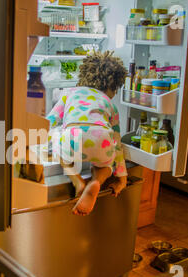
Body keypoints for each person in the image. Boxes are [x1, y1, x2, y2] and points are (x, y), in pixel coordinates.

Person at [46, 51, 128, 216]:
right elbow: (117, 143)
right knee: (105, 166)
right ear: (113, 86)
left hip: (72, 139)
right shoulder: (110, 105)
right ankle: (96, 181)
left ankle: (78, 182)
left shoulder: (69, 93)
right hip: (101, 141)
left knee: (58, 143)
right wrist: (121, 178)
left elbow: (50, 120)